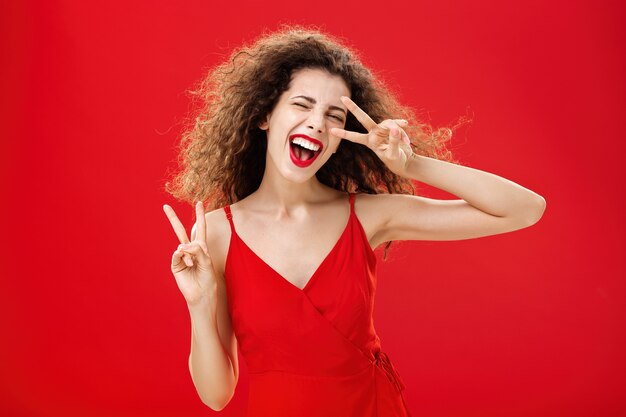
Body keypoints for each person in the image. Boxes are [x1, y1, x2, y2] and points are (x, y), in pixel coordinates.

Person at [162, 25, 546, 416]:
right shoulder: (217, 232)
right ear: (264, 115)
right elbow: (216, 395)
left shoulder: (365, 215)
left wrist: (411, 163)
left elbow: (524, 208)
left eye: (334, 115)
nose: (316, 123)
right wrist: (200, 302)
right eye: (302, 104)